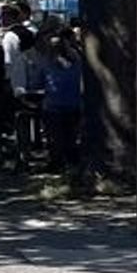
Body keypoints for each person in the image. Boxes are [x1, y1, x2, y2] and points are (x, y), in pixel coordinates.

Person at [38, 34, 82, 176]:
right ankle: (71, 162)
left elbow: (39, 82)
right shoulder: (77, 62)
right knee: (71, 136)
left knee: (55, 137)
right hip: (74, 103)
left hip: (53, 105)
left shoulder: (47, 63)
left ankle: (57, 163)